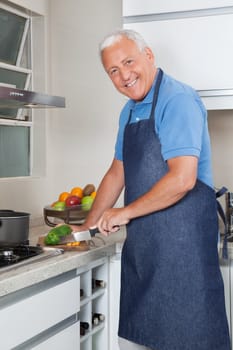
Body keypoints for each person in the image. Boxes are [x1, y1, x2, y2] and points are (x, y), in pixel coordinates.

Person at [72, 29, 231, 350]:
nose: (124, 75)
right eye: (113, 71)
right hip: (144, 257)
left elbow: (183, 179)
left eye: (128, 62)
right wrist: (87, 227)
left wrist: (123, 213)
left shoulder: (178, 99)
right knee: (132, 341)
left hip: (184, 260)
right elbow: (118, 172)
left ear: (149, 56)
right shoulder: (129, 111)